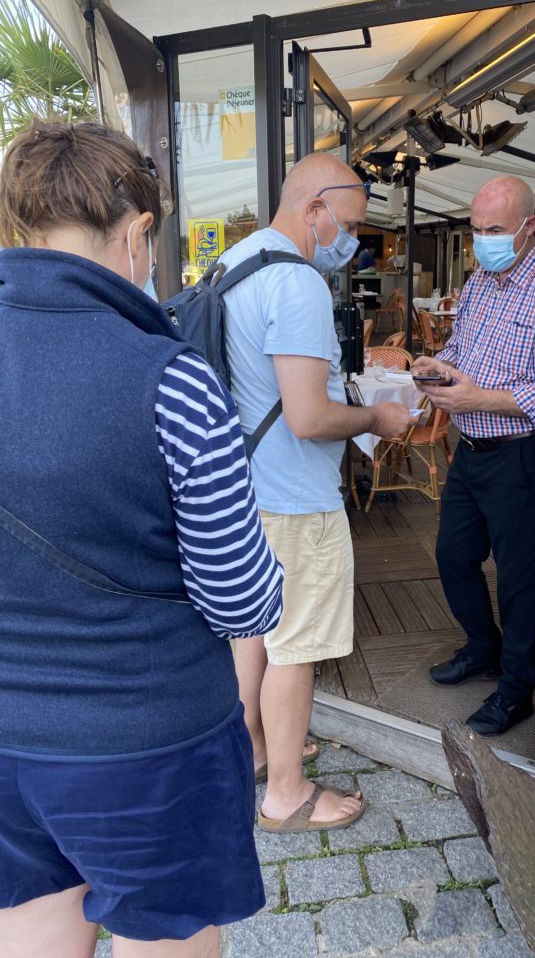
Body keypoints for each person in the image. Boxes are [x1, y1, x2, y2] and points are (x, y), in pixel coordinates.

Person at [0, 121, 284, 958]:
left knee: (31, 925)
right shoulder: (170, 378)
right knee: (166, 941)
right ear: (138, 232)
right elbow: (241, 601)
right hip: (148, 741)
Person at [220, 153, 411, 831]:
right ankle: (287, 795)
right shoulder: (296, 283)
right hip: (295, 498)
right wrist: (377, 417)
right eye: (350, 225)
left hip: (245, 491)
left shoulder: (236, 263)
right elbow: (308, 418)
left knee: (254, 635)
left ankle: (254, 751)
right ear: (314, 210)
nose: (352, 242)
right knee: (295, 647)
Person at [413, 175, 535, 736]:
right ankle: (484, 648)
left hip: (521, 455)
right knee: (453, 556)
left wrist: (479, 398)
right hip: (470, 449)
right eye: (476, 229)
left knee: (521, 579)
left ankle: (518, 690)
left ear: (529, 227)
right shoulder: (478, 282)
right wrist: (439, 365)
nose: (482, 240)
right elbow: (463, 349)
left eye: (494, 229)